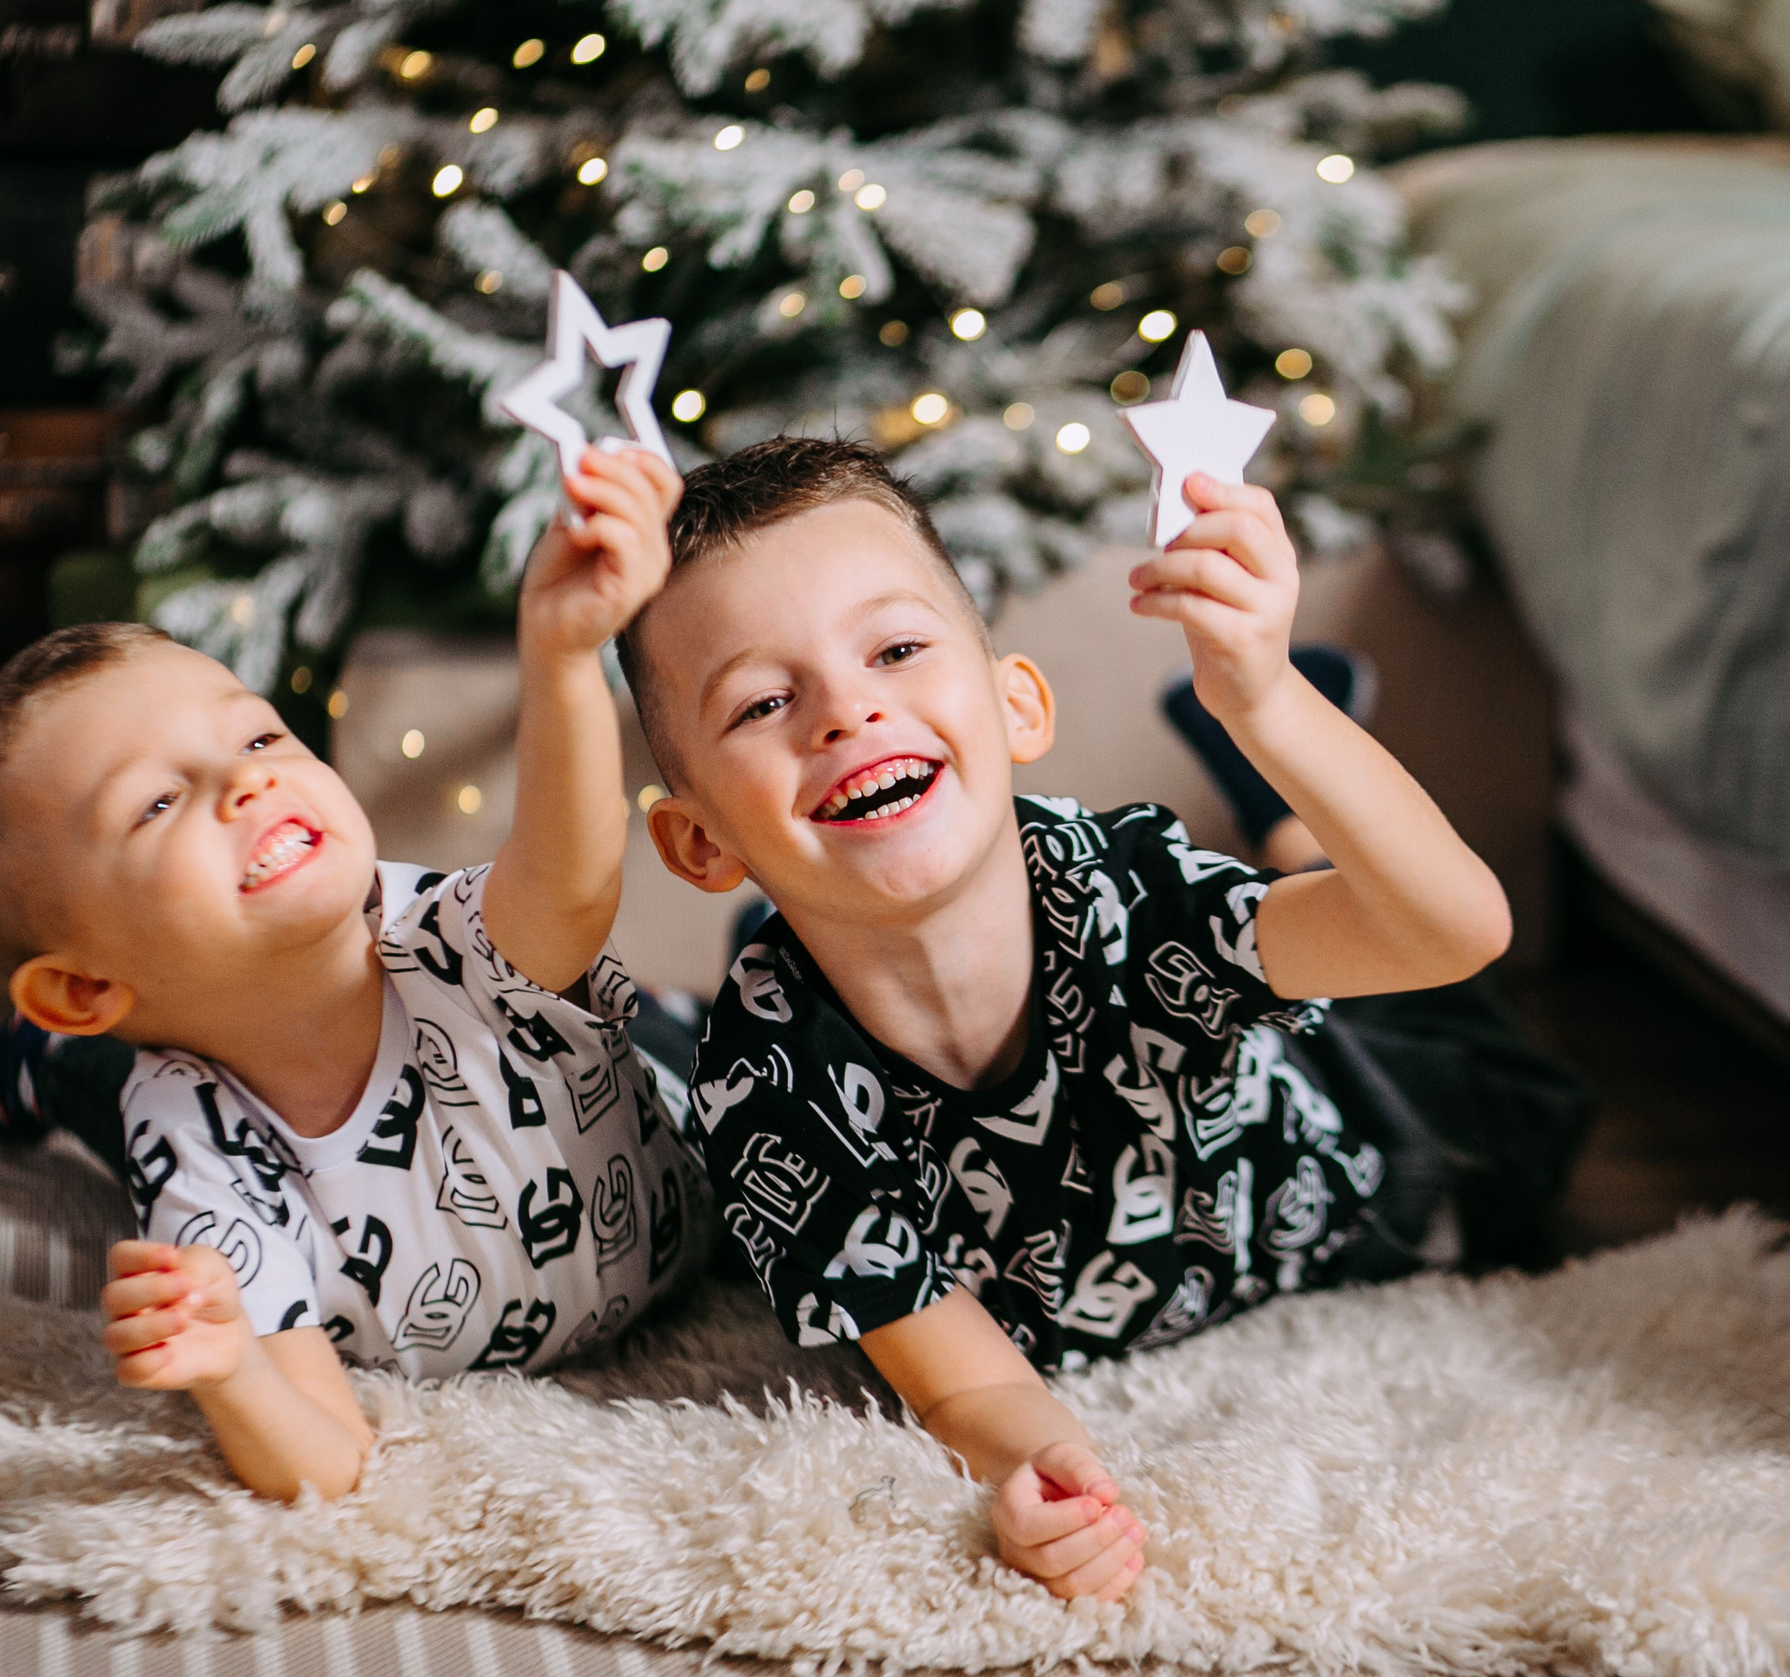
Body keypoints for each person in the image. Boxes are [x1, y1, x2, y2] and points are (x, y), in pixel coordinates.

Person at [619, 437, 1582, 1604]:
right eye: (764, 702)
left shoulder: (1123, 892)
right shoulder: (767, 1086)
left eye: (899, 649)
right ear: (701, 842)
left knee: (1487, 1072)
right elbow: (963, 1384)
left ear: (1017, 707)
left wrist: (1265, 697)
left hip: (1384, 1108)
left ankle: (1271, 792)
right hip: (825, 993)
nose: (846, 709)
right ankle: (817, 916)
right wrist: (1047, 1469)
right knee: (783, 982)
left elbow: (1448, 933)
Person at [0, 444, 709, 1502]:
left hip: (661, 1141)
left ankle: (674, 1001)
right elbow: (329, 1460)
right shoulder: (196, 1145)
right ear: (84, 985)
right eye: (155, 804)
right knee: (122, 1091)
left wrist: (562, 656)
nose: (245, 781)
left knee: (712, 1029)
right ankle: (49, 1061)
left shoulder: (438, 934)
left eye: (255, 734)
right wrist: (232, 1369)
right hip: (185, 1063)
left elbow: (566, 884)